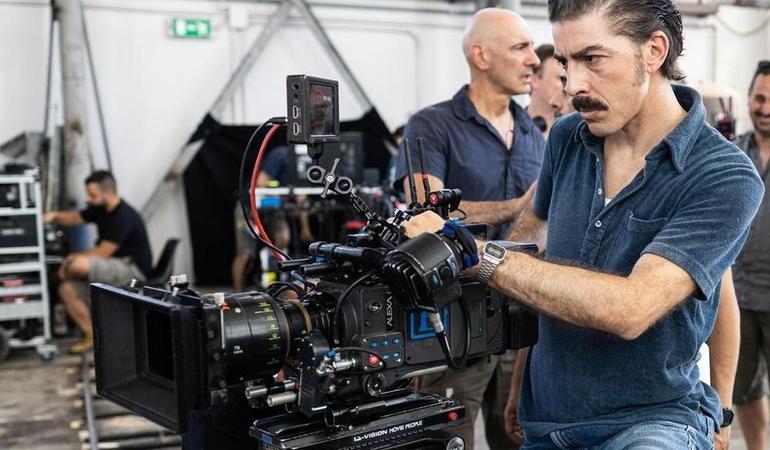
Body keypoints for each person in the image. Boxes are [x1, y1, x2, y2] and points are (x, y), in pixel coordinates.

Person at [404, 0, 764, 448]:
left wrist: (471, 252)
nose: (573, 85)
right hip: (548, 418)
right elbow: (532, 244)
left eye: (591, 59)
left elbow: (631, 309)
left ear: (654, 51)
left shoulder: (723, 175)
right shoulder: (566, 138)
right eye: (565, 62)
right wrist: (522, 378)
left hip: (652, 421)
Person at [392, 8, 544, 449]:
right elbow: (425, 213)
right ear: (481, 55)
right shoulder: (432, 125)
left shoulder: (537, 137)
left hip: (521, 309)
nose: (533, 59)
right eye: (521, 48)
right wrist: (516, 206)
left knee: (518, 435)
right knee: (445, 437)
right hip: (455, 314)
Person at [44, 171, 152, 353]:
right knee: (67, 290)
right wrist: (53, 215)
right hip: (111, 264)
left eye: (92, 195)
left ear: (108, 191)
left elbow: (102, 253)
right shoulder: (100, 208)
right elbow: (74, 218)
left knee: (77, 265)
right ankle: (92, 336)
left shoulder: (123, 216)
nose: (88, 199)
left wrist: (69, 262)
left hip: (130, 268)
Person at [732, 60, 770, 450]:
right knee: (743, 389)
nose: (766, 107)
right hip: (739, 297)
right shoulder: (732, 153)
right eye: (760, 98)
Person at [528, 44, 565, 137]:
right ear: (534, 81)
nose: (568, 86)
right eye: (561, 78)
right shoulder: (509, 126)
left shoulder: (574, 129)